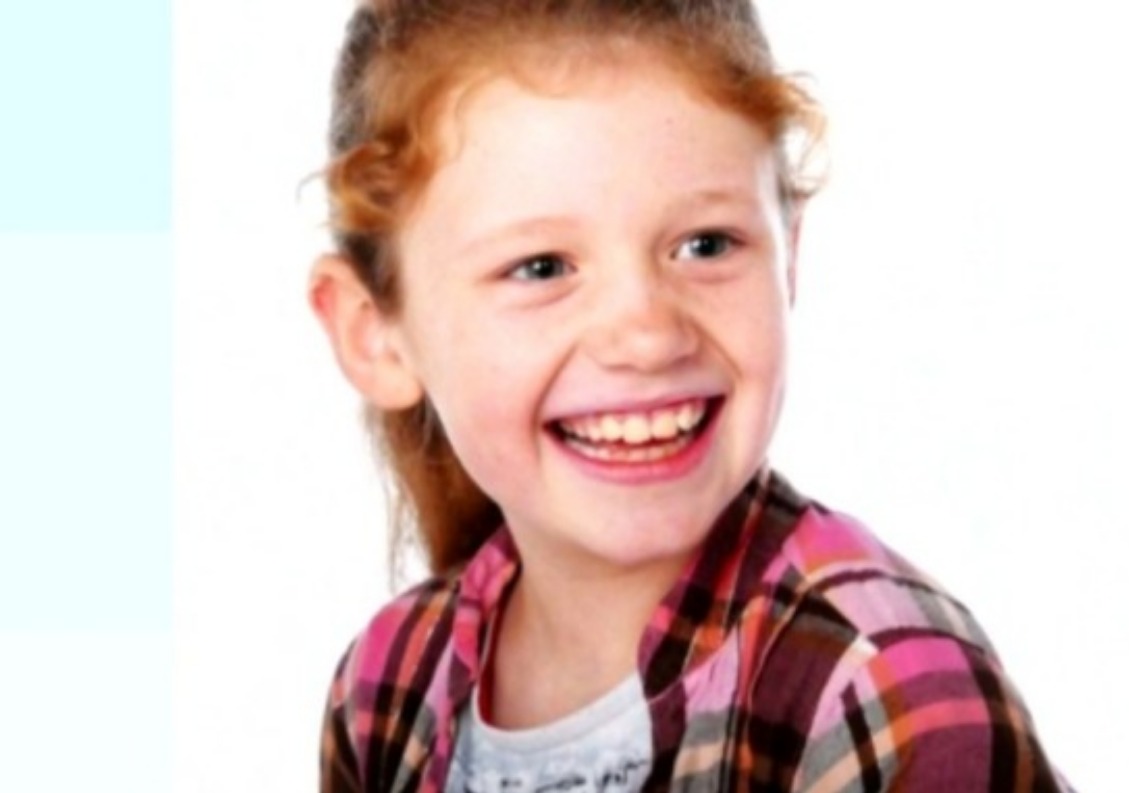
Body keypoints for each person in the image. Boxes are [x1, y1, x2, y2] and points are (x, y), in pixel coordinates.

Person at [311, 1, 1074, 790]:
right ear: (375, 334)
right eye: (542, 267)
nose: (647, 336)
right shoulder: (384, 686)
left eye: (706, 245)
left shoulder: (883, 695)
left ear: (788, 258)